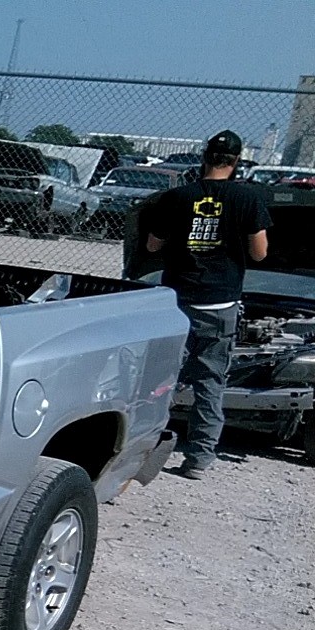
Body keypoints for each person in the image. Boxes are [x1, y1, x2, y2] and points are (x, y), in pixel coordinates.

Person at [144, 129, 271, 479]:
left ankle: (143, 449)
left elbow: (153, 246)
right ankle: (198, 458)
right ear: (236, 162)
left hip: (176, 303)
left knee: (160, 381)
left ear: (204, 158)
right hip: (220, 306)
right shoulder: (249, 200)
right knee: (211, 383)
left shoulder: (176, 197)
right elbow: (259, 253)